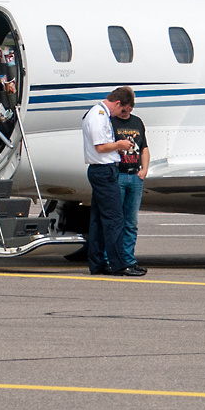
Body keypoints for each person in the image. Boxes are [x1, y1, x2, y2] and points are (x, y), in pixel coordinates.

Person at [80, 87, 145, 276]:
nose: (121, 115)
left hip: (100, 170)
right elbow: (100, 147)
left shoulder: (96, 113)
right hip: (104, 171)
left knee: (99, 220)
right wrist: (120, 145)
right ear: (117, 103)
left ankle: (98, 262)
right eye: (122, 110)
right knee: (115, 218)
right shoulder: (100, 116)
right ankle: (119, 264)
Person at [113, 102, 150, 273]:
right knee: (115, 220)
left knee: (131, 222)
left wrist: (144, 170)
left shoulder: (137, 122)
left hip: (134, 175)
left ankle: (128, 258)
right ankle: (112, 258)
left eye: (127, 108)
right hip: (118, 174)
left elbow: (144, 148)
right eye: (121, 107)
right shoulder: (111, 122)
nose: (123, 111)